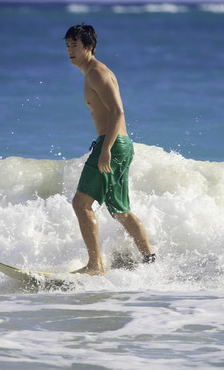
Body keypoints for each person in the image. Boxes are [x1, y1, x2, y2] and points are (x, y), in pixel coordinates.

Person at [64, 24, 155, 275]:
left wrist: (105, 149)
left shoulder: (96, 73)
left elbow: (117, 111)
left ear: (89, 47)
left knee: (81, 204)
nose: (70, 50)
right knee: (120, 210)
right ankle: (150, 261)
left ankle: (95, 266)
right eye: (68, 46)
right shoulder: (92, 72)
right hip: (120, 145)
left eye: (75, 46)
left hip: (112, 145)